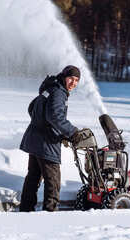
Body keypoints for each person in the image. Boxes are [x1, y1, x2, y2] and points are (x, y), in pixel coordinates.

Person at [19, 65, 84, 212]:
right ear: (64, 77)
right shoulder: (59, 93)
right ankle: (50, 214)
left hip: (35, 139)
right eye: (71, 78)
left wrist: (42, 123)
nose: (73, 83)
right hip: (46, 143)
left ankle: (25, 209)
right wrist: (72, 133)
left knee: (33, 178)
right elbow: (54, 116)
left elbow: (32, 107)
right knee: (53, 181)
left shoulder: (51, 88)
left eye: (76, 80)